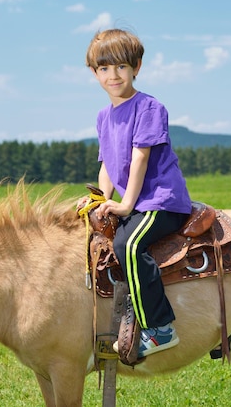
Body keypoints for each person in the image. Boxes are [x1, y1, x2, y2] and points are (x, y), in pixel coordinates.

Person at [85, 28, 192, 358]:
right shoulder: (104, 117)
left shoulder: (148, 107)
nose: (112, 75)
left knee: (127, 244)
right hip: (135, 204)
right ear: (94, 73)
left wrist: (125, 203)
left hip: (160, 201)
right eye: (104, 68)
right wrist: (100, 200)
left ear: (137, 67)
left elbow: (140, 157)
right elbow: (107, 165)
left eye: (120, 67)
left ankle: (160, 328)